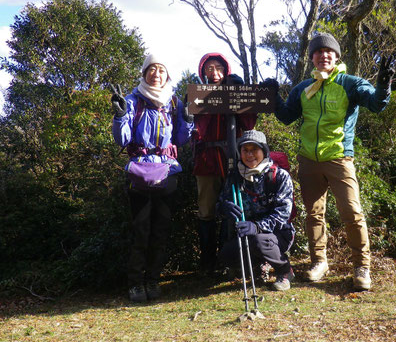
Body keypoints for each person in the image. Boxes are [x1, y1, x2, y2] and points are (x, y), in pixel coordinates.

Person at [262, 32, 394, 291]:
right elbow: (287, 116)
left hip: (339, 158)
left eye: (328, 51)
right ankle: (319, 262)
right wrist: (274, 96)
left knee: (352, 212)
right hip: (309, 160)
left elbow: (376, 104)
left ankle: (361, 266)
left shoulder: (349, 83)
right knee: (313, 215)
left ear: (336, 56)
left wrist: (384, 83)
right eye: (318, 52)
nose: (323, 55)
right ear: (312, 58)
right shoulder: (303, 88)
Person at [111, 54, 193, 302]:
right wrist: (119, 116)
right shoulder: (132, 101)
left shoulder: (174, 102)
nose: (156, 74)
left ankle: (153, 280)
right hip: (139, 172)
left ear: (167, 75)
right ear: (144, 73)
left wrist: (188, 119)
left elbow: (180, 139)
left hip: (168, 172)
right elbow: (122, 139)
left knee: (161, 230)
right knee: (141, 229)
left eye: (161, 70)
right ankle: (136, 284)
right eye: (152, 69)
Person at [190, 53, 256, 275]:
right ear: (203, 72)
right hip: (207, 161)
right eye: (209, 69)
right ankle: (207, 262)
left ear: (225, 69)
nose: (214, 72)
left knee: (234, 208)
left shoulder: (235, 90)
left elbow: (249, 123)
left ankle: (228, 259)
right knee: (206, 211)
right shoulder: (197, 96)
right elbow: (198, 126)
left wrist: (238, 94)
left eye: (218, 67)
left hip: (233, 160)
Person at [218, 130, 296, 291]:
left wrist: (257, 227)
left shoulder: (279, 176)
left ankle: (285, 271)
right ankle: (259, 264)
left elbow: (282, 214)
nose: (249, 154)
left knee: (259, 241)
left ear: (264, 151)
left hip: (278, 234)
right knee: (226, 255)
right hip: (246, 233)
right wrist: (223, 208)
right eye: (245, 150)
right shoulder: (235, 176)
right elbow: (220, 202)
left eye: (254, 149)